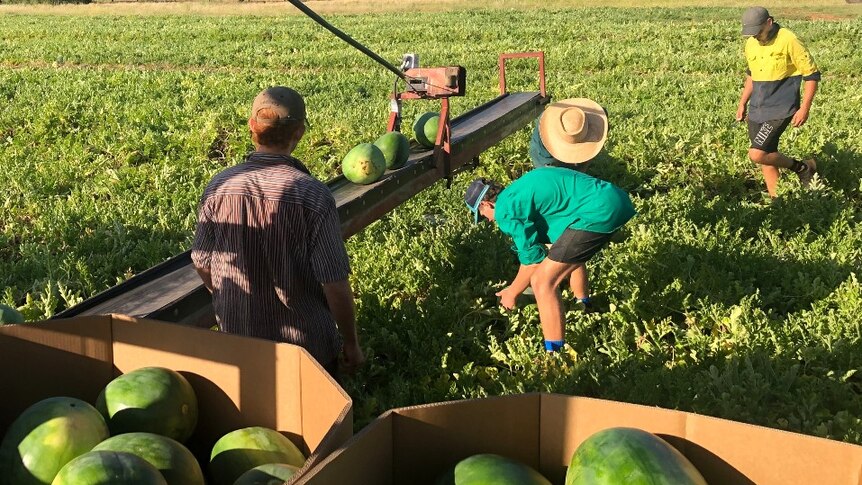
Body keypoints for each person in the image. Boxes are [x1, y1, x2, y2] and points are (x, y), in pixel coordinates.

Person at [191, 86, 365, 378]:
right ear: (299, 133)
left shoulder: (219, 186)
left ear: (251, 128)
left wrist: (230, 301)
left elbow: (201, 261)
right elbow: (334, 283)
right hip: (306, 353)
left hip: (240, 343)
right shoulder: (313, 196)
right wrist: (351, 344)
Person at [465, 98, 636, 353]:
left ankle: (554, 356)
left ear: (486, 206)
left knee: (544, 283)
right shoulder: (521, 189)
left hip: (599, 211)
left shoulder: (506, 210)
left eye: (485, 218)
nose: (490, 223)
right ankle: (583, 303)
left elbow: (532, 261)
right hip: (612, 199)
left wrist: (512, 292)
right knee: (564, 252)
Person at [736, 6, 821, 198]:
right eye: (751, 33)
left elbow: (812, 75)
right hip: (757, 107)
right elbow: (751, 75)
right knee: (767, 157)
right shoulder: (751, 43)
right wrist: (742, 102)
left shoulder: (788, 39)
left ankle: (802, 167)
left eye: (758, 31)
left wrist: (805, 108)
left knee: (757, 153)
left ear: (769, 22)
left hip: (781, 108)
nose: (755, 36)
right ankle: (778, 202)